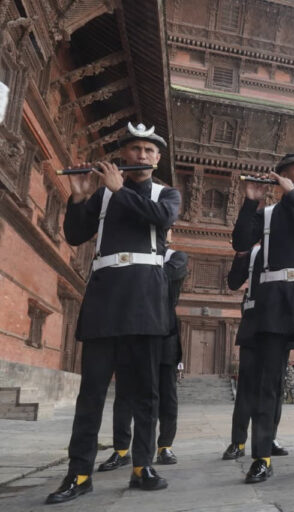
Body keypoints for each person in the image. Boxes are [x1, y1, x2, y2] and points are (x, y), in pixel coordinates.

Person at [46, 122, 180, 504]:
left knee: (146, 393)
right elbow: (75, 235)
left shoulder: (167, 194)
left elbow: (161, 220)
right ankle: (79, 472)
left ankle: (142, 466)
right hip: (105, 299)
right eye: (135, 148)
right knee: (91, 393)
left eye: (149, 150)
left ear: (158, 158)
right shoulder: (103, 194)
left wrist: (119, 190)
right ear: (123, 154)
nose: (142, 154)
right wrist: (78, 198)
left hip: (145, 300)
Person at [231, 152, 294, 483]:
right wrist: (250, 202)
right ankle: (261, 457)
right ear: (282, 176)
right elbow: (239, 242)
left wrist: (293, 194)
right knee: (268, 383)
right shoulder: (266, 215)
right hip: (274, 302)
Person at [98, 232, 188, 472]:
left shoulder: (176, 257)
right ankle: (121, 450)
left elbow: (165, 277)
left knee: (167, 395)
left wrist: (135, 268)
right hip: (132, 327)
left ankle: (164, 446)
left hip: (164, 331)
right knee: (125, 393)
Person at [222, 245, 289, 461]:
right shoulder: (254, 253)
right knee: (246, 386)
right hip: (253, 323)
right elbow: (233, 283)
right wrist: (241, 255)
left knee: (276, 386)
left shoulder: (289, 247)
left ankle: (269, 438)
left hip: (280, 323)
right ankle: (238, 441)